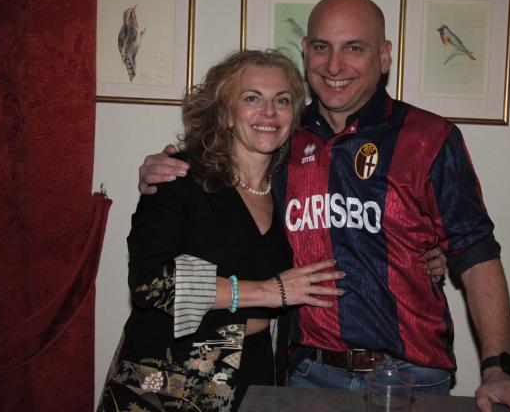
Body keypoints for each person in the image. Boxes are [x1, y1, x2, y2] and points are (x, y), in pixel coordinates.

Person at [139, 0, 510, 412]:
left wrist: (498, 369)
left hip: (411, 377)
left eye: (354, 48)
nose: (334, 66)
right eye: (322, 47)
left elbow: (475, 252)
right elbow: (220, 180)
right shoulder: (281, 139)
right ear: (306, 52)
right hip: (308, 374)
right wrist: (166, 167)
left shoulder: (429, 138)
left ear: (383, 56)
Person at [98, 50, 346, 412]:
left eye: (282, 100)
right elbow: (150, 282)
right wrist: (270, 291)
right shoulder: (179, 177)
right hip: (171, 381)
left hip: (257, 373)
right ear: (227, 113)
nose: (269, 112)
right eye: (252, 98)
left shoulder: (291, 189)